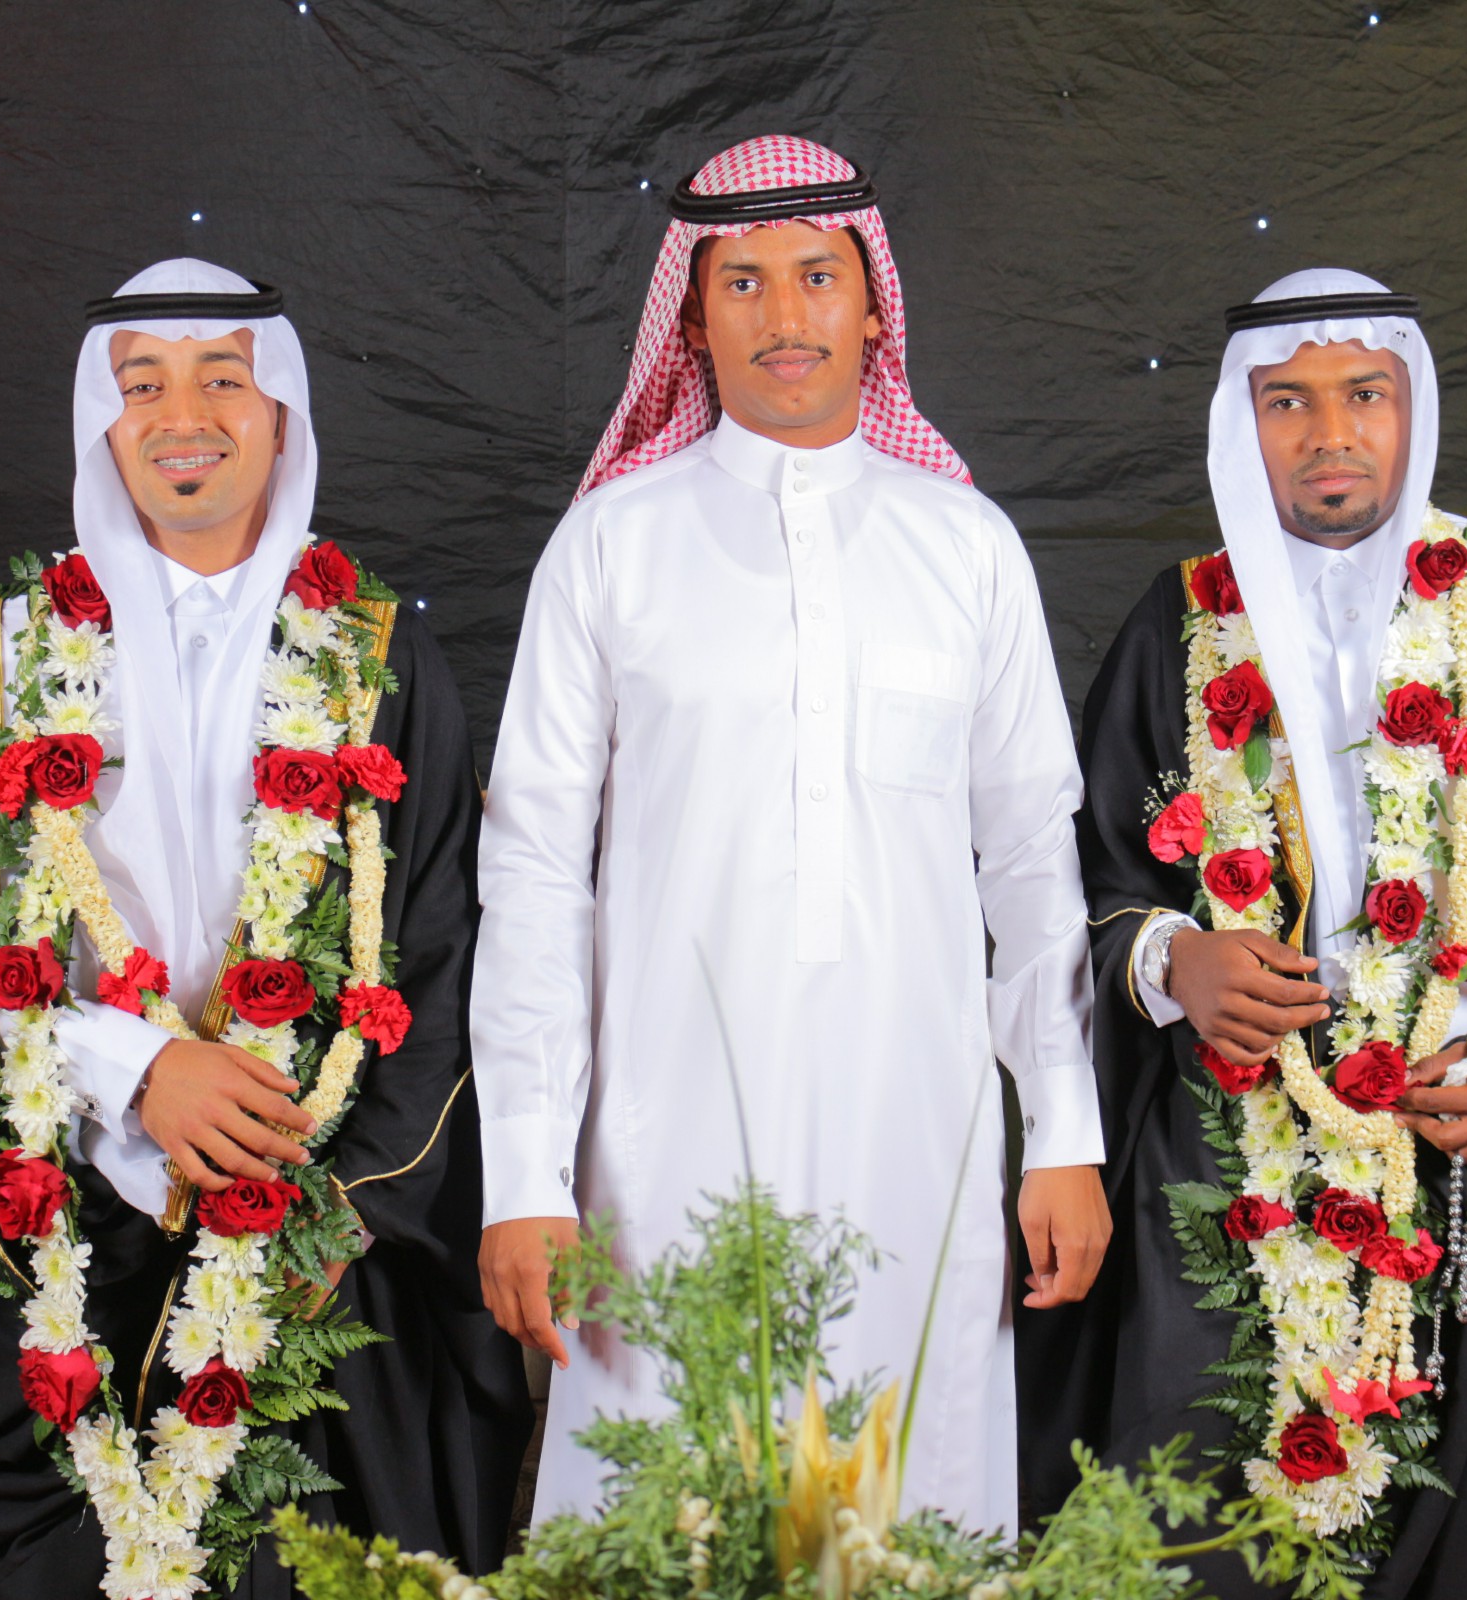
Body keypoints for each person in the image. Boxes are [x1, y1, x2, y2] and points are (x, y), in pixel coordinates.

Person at [1021, 268, 1467, 1598]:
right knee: (1183, 1523)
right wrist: (1172, 961)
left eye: (1363, 395)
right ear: (1244, 422)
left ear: (1412, 408)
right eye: (1287, 402)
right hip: (1226, 1153)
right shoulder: (1179, 621)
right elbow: (1080, 878)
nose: (1329, 434)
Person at [0, 258, 529, 1596]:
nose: (184, 416)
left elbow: (444, 961)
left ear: (281, 414)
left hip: (323, 1225)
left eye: (224, 378)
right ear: (100, 425)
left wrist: (315, 1200)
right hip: (64, 1209)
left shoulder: (380, 665)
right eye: (143, 385)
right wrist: (141, 1071)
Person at [471, 135, 1110, 1531]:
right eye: (743, 282)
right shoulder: (611, 546)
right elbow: (532, 874)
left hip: (919, 1135)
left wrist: (1066, 1133)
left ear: (873, 305)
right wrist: (524, 1172)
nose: (784, 315)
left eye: (818, 275)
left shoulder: (967, 546)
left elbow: (1030, 862)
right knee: (660, 1516)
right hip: (658, 1141)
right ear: (692, 318)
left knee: (908, 1508)